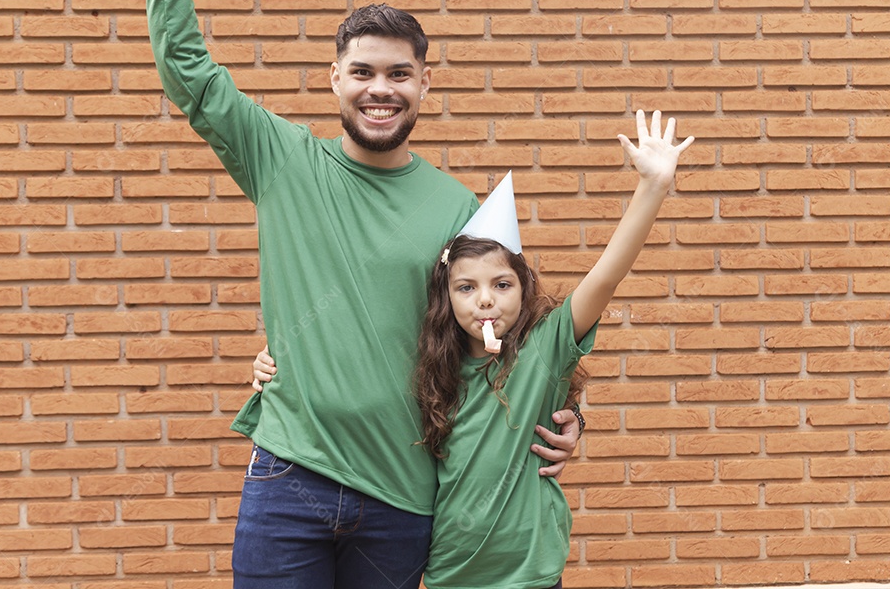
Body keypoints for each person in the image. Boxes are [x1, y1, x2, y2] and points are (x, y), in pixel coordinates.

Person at [146, 0, 583, 587]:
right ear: (334, 79)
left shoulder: (456, 209)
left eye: (398, 74)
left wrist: (567, 419)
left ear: (424, 85)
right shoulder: (280, 160)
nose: (380, 88)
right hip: (289, 477)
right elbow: (188, 72)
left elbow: (508, 339)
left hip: (404, 494)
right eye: (363, 72)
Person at [254, 112, 694, 589]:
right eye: (467, 287)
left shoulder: (542, 351)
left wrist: (652, 188)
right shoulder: (433, 369)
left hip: (529, 574)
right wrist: (280, 361)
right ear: (447, 297)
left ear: (523, 289)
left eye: (501, 284)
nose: (485, 298)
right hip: (450, 574)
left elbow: (607, 275)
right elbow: (358, 350)